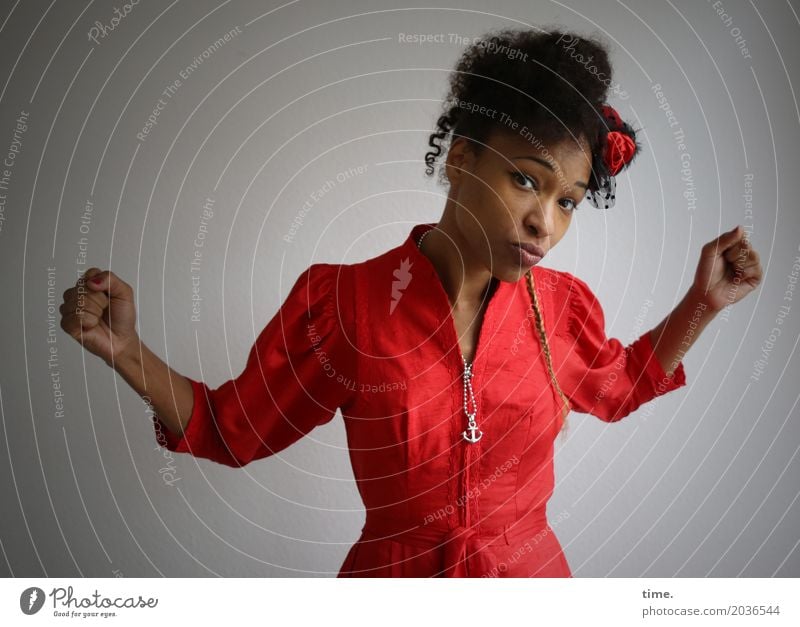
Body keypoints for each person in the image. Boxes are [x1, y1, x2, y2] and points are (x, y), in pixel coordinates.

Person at [59, 27, 762, 577]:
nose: (545, 222)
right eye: (525, 179)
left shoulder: (561, 310)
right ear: (461, 159)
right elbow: (229, 428)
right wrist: (123, 348)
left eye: (567, 202)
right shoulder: (343, 303)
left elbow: (623, 385)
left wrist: (703, 303)